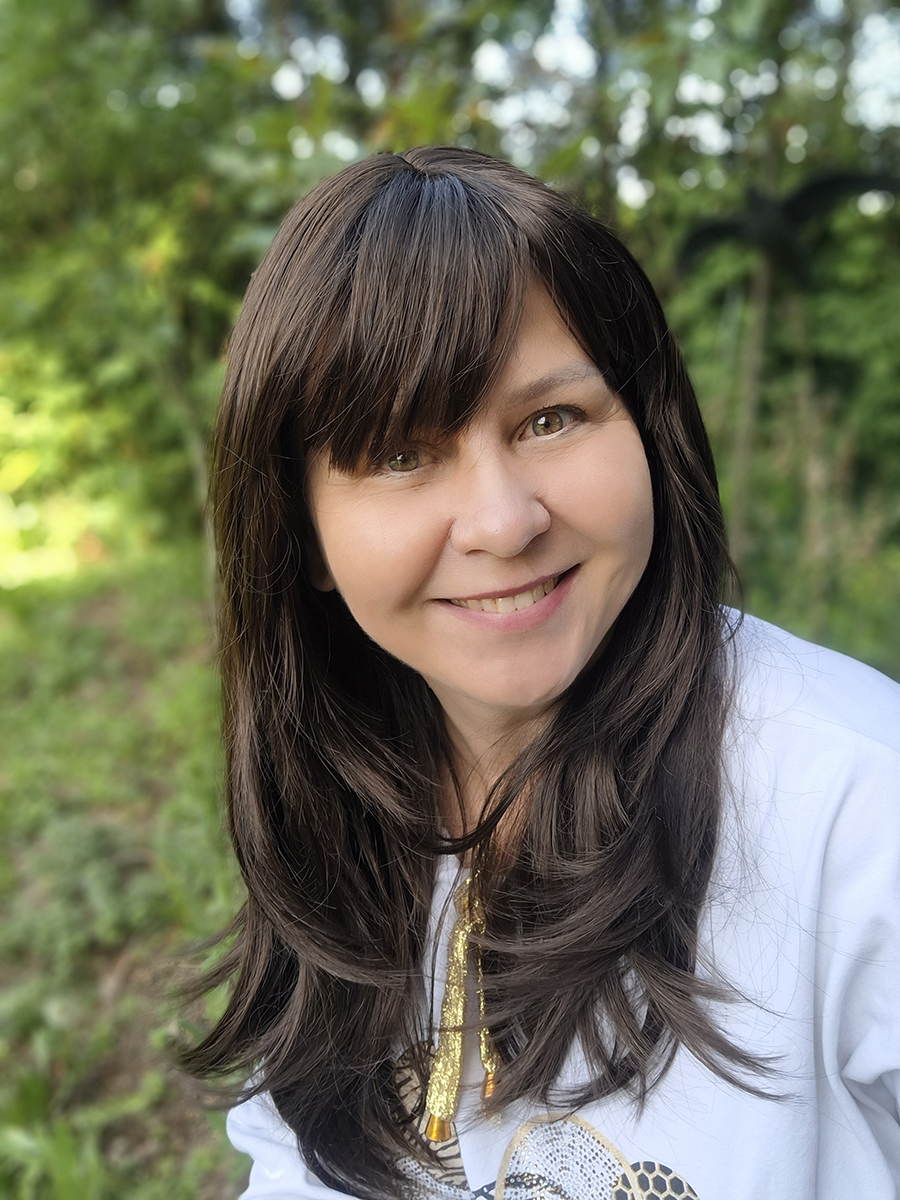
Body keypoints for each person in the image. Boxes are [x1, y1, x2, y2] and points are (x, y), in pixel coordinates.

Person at [182, 147, 900, 1199]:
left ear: (648, 431)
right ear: (302, 532)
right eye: (400, 454)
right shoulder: (338, 794)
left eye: (550, 420)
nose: (504, 521)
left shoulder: (859, 806)